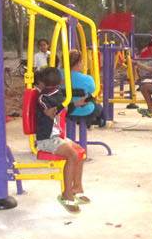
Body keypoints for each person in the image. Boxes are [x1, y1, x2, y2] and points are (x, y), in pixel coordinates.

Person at [34, 66, 87, 213]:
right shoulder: (43, 97)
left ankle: (77, 187)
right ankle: (66, 194)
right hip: (46, 139)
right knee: (72, 155)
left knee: (80, 152)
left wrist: (76, 103)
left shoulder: (57, 93)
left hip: (57, 136)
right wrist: (63, 104)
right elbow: (51, 112)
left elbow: (66, 108)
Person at [64, 49, 105, 128]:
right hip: (84, 110)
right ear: (78, 63)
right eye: (82, 61)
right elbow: (93, 90)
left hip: (64, 109)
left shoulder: (59, 75)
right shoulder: (87, 79)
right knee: (98, 106)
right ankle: (99, 121)